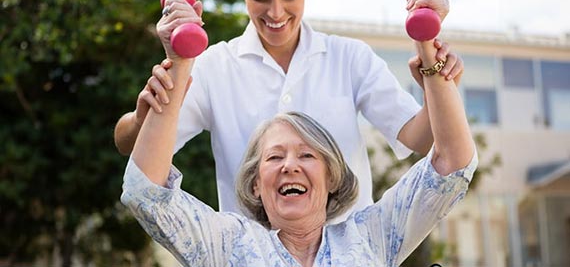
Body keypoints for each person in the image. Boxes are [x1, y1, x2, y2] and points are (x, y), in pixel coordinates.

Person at [114, 0, 464, 218]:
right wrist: (143, 119)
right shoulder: (213, 67)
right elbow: (133, 147)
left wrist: (437, 77)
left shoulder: (350, 57)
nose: (276, 13)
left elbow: (419, 138)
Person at [121, 58, 477, 265]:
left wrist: (432, 64)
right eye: (274, 157)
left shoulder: (372, 235)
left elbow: (451, 166)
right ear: (256, 184)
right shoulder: (227, 243)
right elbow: (145, 192)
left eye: (307, 155)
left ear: (332, 177)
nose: (290, 165)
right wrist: (179, 63)